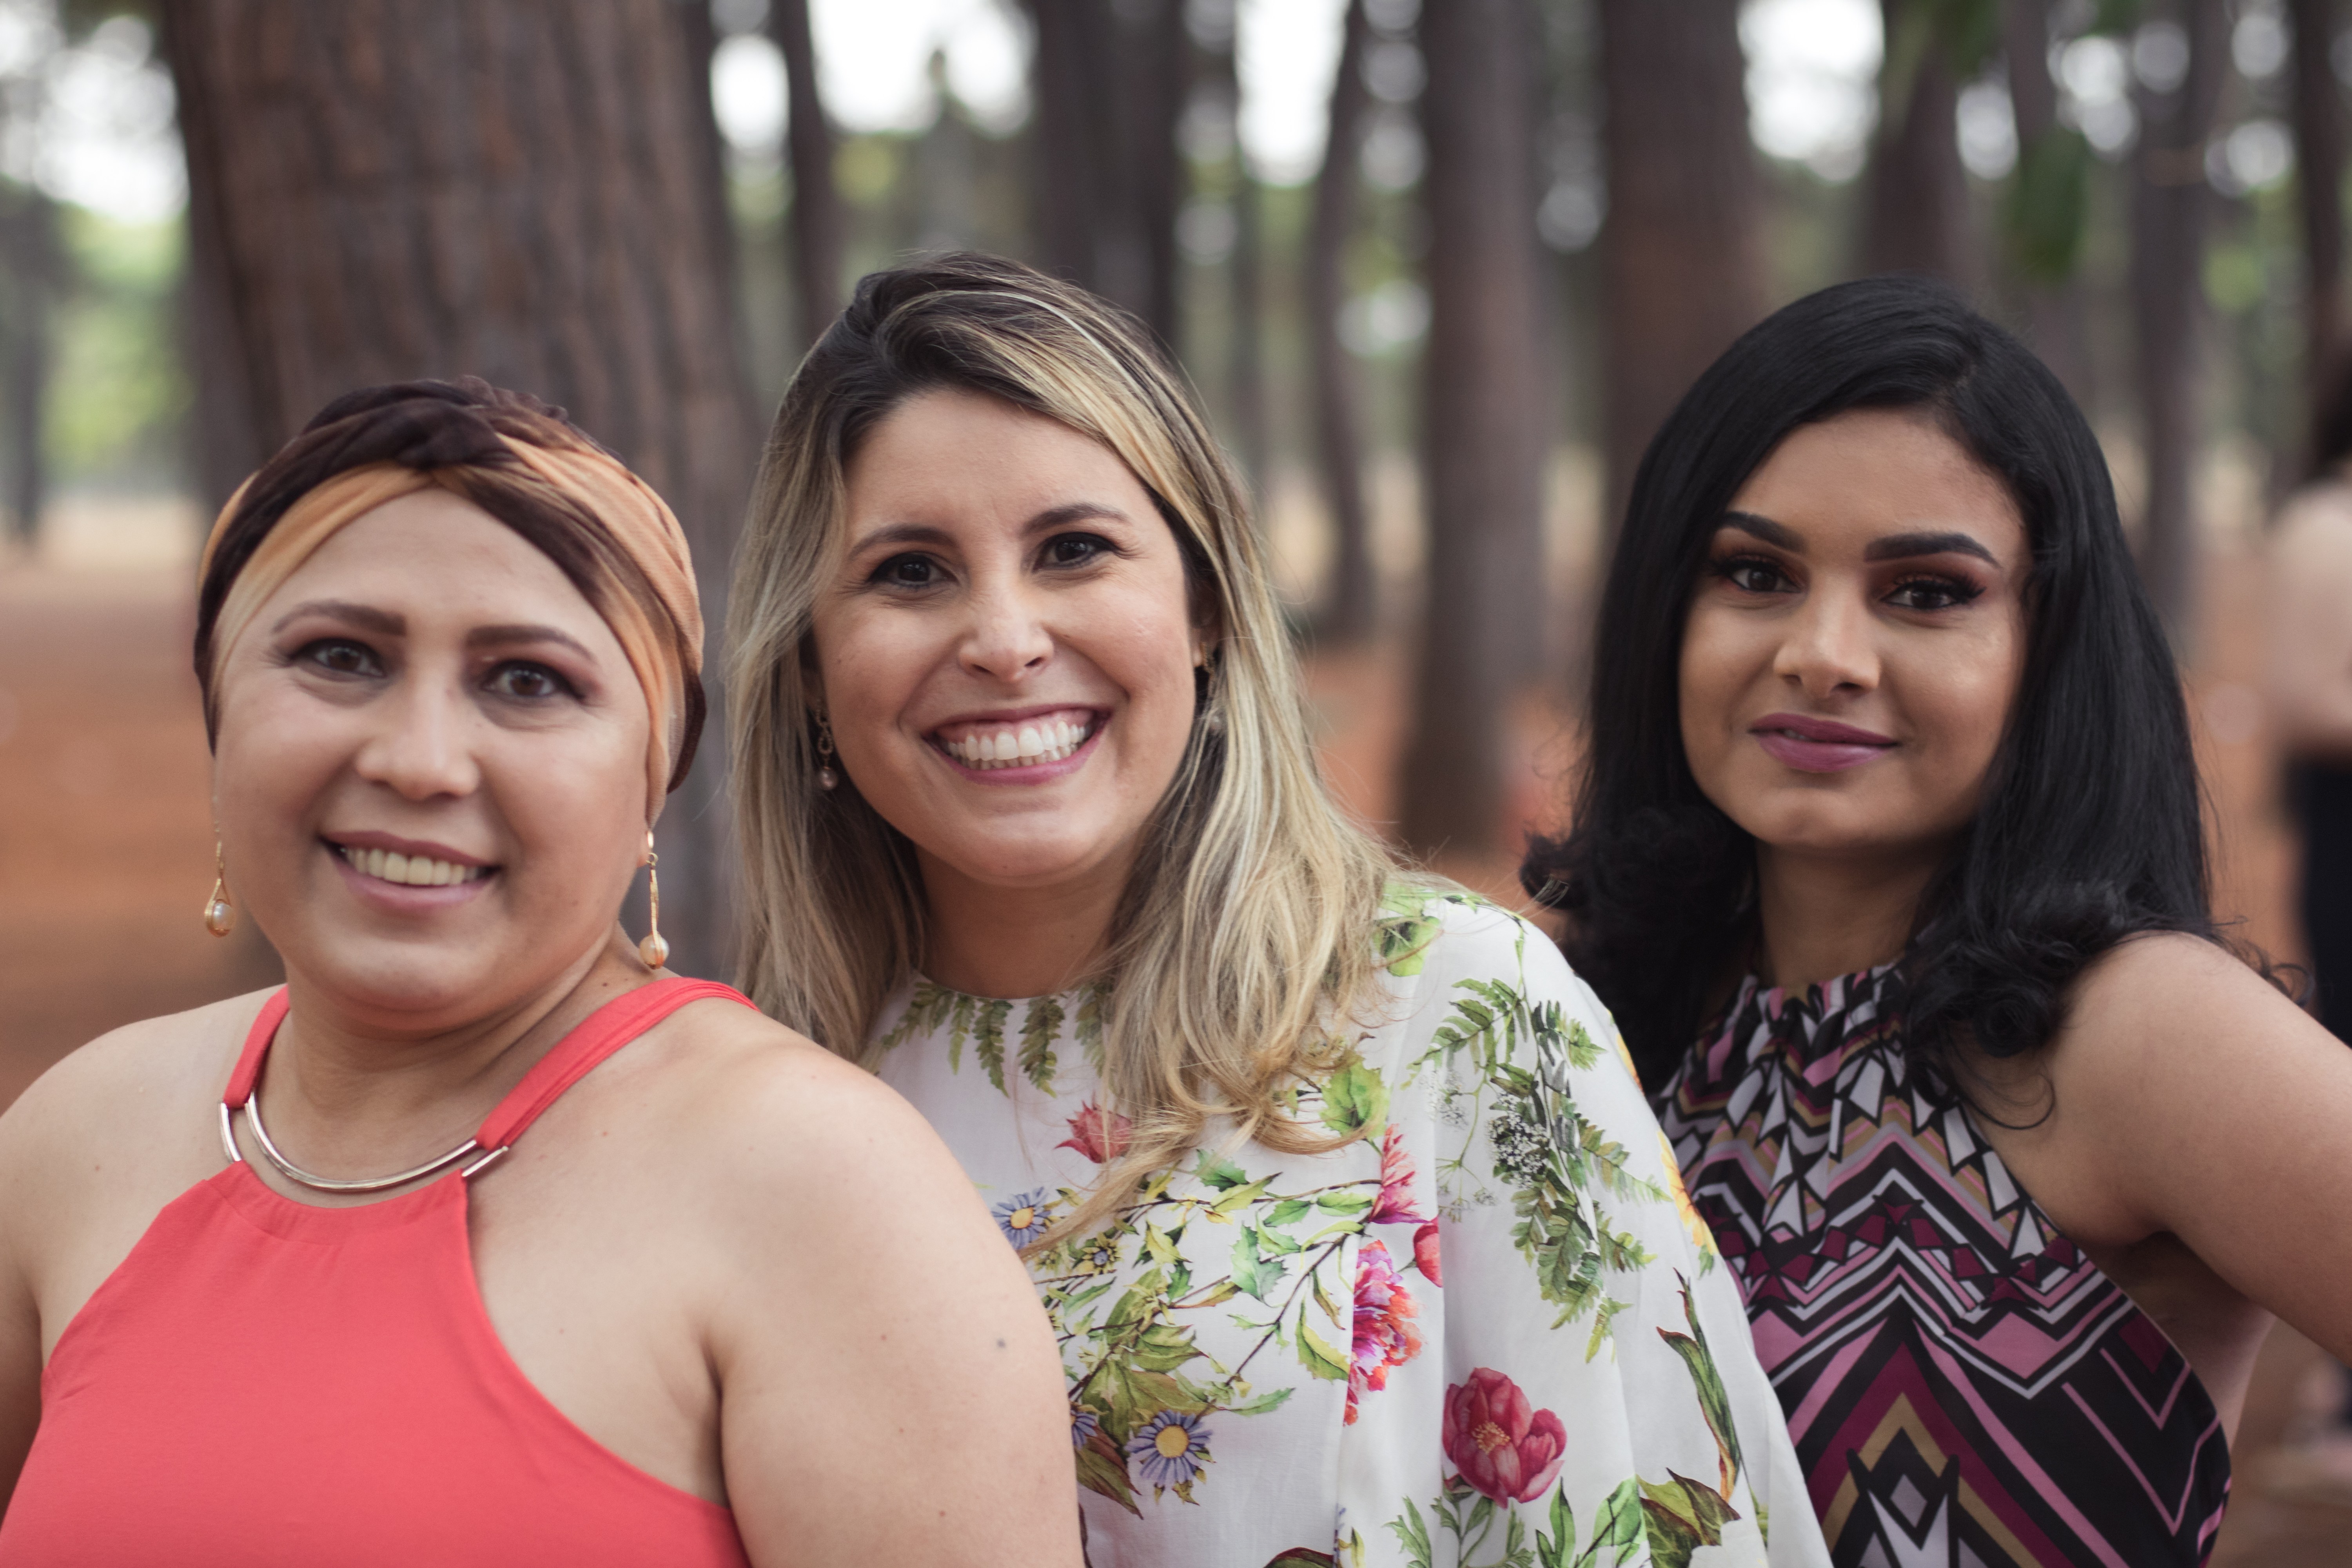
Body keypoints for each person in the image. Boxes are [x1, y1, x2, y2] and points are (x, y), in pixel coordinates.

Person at [724, 252, 1829, 1568]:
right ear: (806, 667)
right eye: (909, 573)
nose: (1005, 639)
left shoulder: (1453, 1010)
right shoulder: (760, 1094)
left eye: (1074, 550)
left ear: (1203, 608)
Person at [0, 379, 1080, 1566]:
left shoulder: (823, 1194)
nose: (420, 762)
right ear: (221, 710)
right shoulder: (76, 1137)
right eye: (339, 656)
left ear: (651, 774)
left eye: (528, 682)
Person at [1523, 275, 2352, 1568]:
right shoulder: (1602, 1030)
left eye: (1925, 592)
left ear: (2049, 646)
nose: (1823, 654)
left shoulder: (2129, 1030)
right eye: (1755, 573)